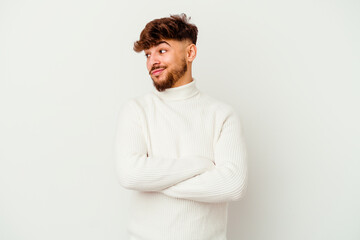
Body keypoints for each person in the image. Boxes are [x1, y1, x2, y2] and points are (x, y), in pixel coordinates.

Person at [114, 13, 248, 240]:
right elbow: (130, 174)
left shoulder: (222, 115)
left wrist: (155, 181)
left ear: (190, 53)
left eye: (162, 50)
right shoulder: (137, 110)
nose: (152, 61)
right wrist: (200, 165)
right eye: (148, 54)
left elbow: (232, 185)